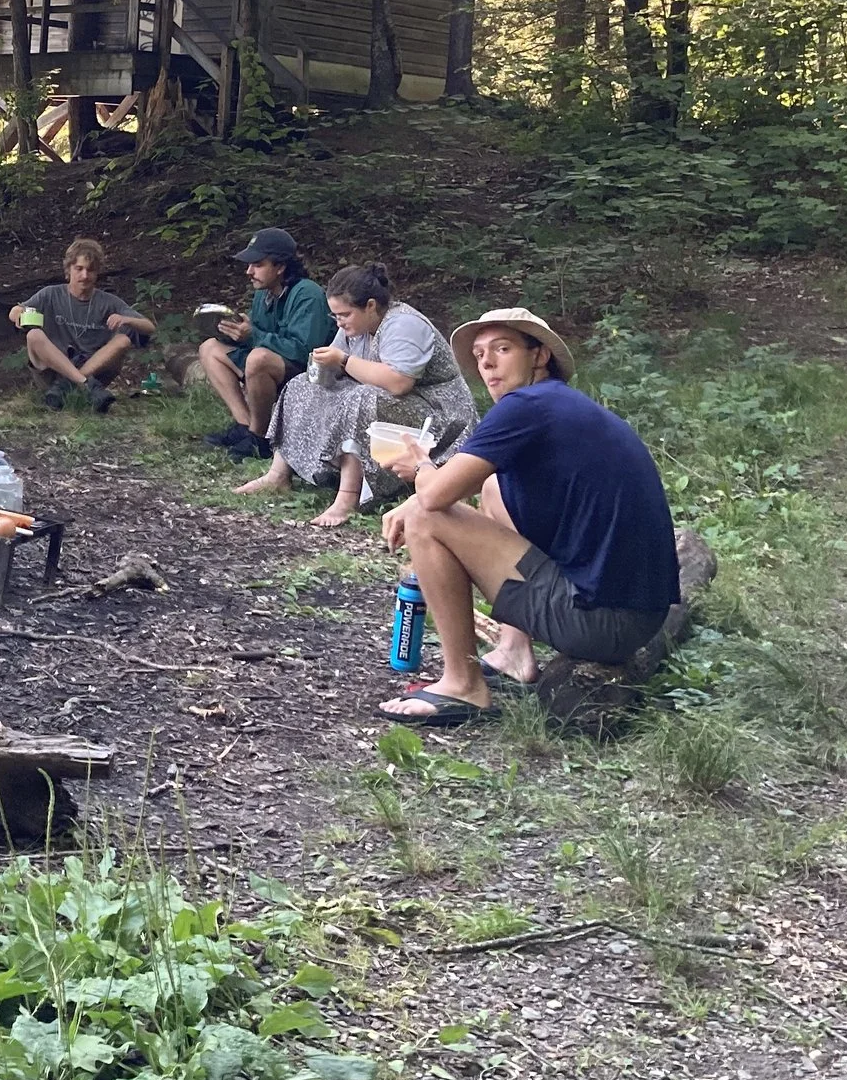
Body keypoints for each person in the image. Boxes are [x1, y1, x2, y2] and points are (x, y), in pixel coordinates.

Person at [370, 306, 681, 728]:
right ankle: (514, 651)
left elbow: (436, 494)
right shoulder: (556, 404)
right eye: (480, 355)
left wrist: (421, 467)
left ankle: (463, 686)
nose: (487, 363)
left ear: (539, 355)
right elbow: (469, 482)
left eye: (502, 349)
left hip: (601, 624)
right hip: (638, 617)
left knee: (427, 518)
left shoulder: (525, 406)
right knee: (493, 487)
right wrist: (428, 487)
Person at [234, 264, 477, 524]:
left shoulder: (404, 324)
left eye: (345, 315)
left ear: (370, 306)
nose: (339, 322)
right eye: (335, 316)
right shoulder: (353, 326)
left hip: (440, 416)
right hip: (394, 402)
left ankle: (347, 499)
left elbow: (399, 382)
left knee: (362, 398)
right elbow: (338, 370)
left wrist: (343, 360)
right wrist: (322, 368)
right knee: (301, 385)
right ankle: (279, 474)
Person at [197, 228, 331, 457]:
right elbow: (256, 334)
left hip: (309, 374)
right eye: (250, 265)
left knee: (258, 358)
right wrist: (231, 332)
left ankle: (260, 438)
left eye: (258, 265)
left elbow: (305, 351)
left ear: (280, 267)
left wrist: (252, 336)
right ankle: (245, 426)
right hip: (272, 364)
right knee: (209, 348)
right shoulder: (263, 292)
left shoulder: (307, 294)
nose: (249, 271)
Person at [9, 237, 156, 411]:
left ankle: (69, 384)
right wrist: (19, 315)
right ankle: (83, 384)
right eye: (79, 269)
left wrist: (126, 319)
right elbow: (15, 311)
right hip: (53, 373)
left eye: (90, 270)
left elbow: (149, 327)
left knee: (123, 340)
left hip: (94, 372)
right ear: (69, 269)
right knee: (34, 335)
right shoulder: (50, 294)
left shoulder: (108, 301)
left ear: (97, 273)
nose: (84, 276)